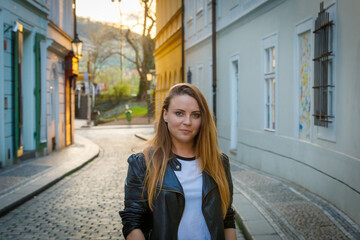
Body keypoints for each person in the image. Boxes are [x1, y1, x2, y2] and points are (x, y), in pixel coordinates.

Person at [120, 83, 236, 240]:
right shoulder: (143, 163)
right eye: (179, 113)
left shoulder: (219, 162)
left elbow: (227, 218)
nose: (187, 121)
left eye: (195, 115)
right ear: (165, 114)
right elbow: (133, 223)